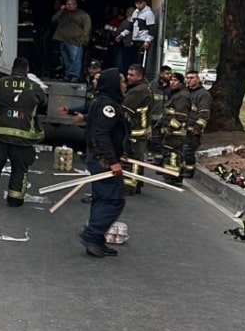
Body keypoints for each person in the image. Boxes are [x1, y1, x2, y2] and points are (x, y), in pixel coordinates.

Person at [0, 57, 47, 206]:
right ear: (27, 69)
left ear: (13, 68)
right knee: (19, 168)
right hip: (23, 137)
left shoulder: (1, 83)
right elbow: (43, 103)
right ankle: (15, 199)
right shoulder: (35, 87)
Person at [78, 68, 129, 257]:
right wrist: (112, 161)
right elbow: (101, 134)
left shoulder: (101, 101)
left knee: (101, 199)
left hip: (98, 157)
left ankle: (97, 241)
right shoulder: (108, 105)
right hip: (102, 160)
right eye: (122, 81)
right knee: (114, 199)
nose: (125, 85)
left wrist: (118, 154)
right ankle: (91, 234)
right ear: (113, 83)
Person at [121, 63, 153, 194]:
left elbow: (125, 108)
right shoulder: (142, 88)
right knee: (138, 156)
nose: (128, 77)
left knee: (132, 157)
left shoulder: (138, 91)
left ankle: (130, 185)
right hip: (140, 129)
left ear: (140, 76)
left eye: (131, 75)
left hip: (136, 129)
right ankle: (138, 183)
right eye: (128, 74)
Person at [158, 72, 192, 183]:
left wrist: (169, 129)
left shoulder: (182, 96)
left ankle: (171, 177)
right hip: (174, 132)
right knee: (176, 155)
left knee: (172, 154)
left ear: (181, 83)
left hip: (176, 133)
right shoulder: (175, 94)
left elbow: (181, 116)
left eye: (175, 80)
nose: (172, 82)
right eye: (171, 80)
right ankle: (176, 177)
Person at [51, 0, 92, 81]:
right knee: (66, 60)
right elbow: (53, 20)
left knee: (75, 60)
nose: (67, 6)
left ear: (75, 5)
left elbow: (87, 27)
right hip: (63, 39)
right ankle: (68, 75)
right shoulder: (63, 13)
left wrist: (84, 39)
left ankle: (75, 76)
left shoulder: (82, 14)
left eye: (70, 4)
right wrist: (61, 11)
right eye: (67, 4)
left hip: (75, 40)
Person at [183, 70, 212, 179]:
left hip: (193, 128)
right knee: (182, 150)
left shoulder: (203, 95)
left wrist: (198, 128)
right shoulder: (186, 92)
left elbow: (204, 113)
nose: (189, 80)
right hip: (184, 127)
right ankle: (182, 169)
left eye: (192, 78)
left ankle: (188, 171)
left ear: (198, 79)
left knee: (188, 150)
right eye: (187, 78)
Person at [116, 0, 156, 73]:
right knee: (132, 61)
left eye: (140, 3)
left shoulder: (149, 13)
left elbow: (151, 29)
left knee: (140, 61)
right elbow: (130, 27)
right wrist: (122, 35)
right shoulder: (135, 12)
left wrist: (147, 40)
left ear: (144, 3)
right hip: (134, 40)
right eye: (137, 3)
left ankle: (140, 76)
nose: (138, 5)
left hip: (143, 40)